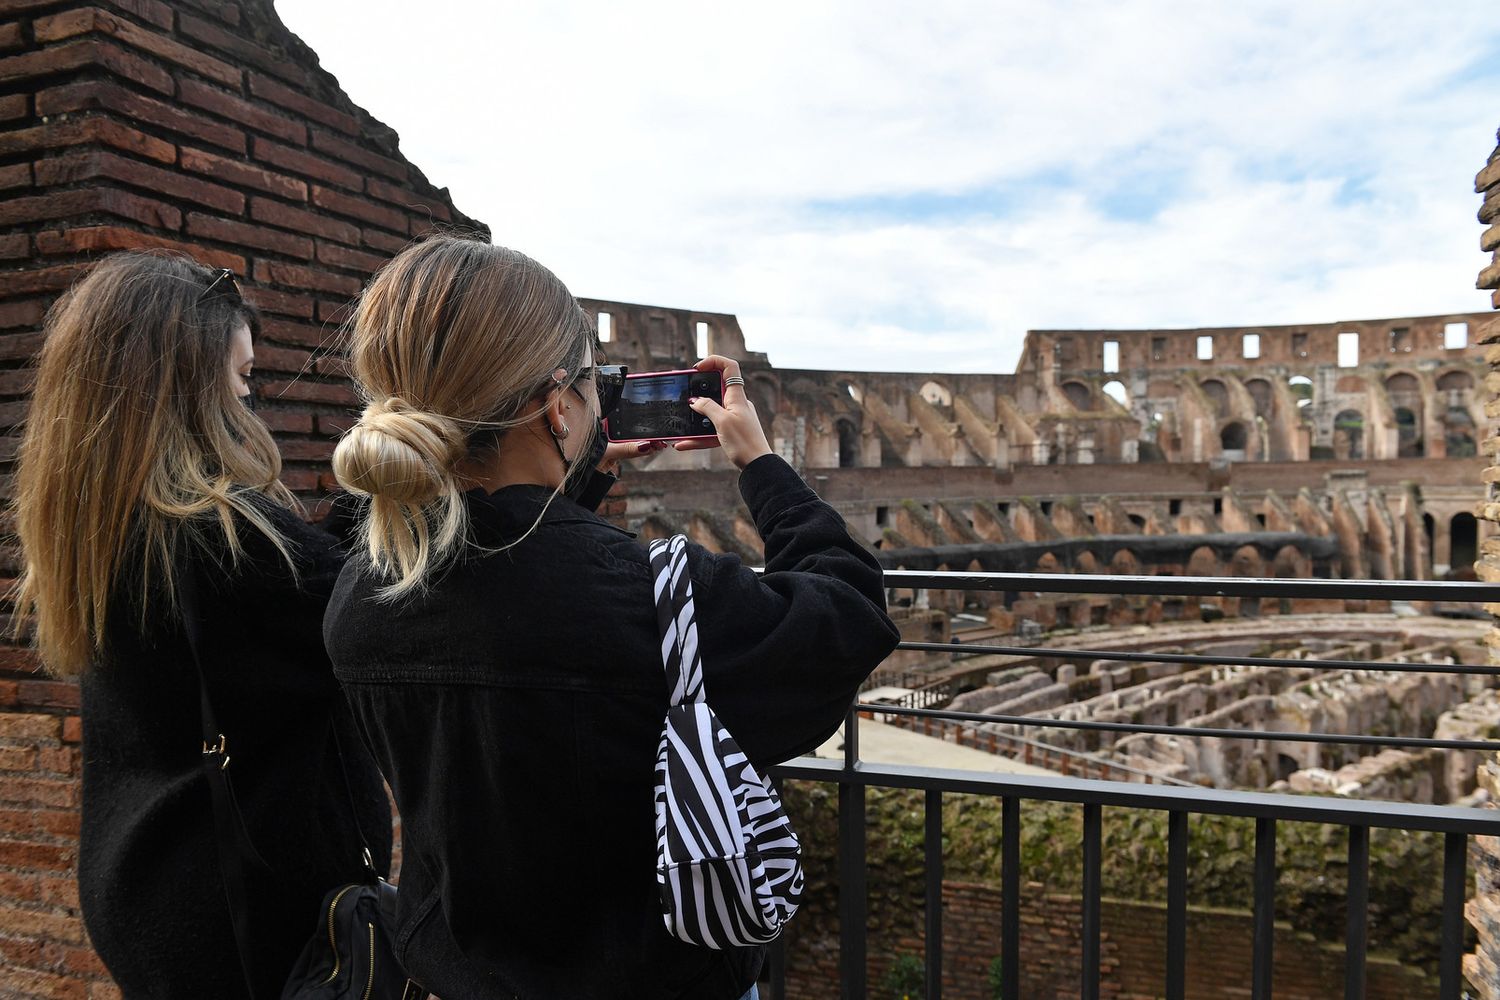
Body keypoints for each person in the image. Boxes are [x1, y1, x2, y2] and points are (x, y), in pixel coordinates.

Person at [324, 235, 901, 1000]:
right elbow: (849, 615)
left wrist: (575, 482)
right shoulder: (654, 596)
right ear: (556, 405)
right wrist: (762, 468)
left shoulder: (360, 590)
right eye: (593, 385)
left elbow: (509, 579)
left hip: (456, 976)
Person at [9, 253, 392, 998]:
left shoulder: (112, 525)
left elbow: (318, 580)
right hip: (250, 926)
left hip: (149, 888)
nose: (250, 401)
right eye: (243, 378)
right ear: (188, 386)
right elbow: (381, 605)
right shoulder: (221, 541)